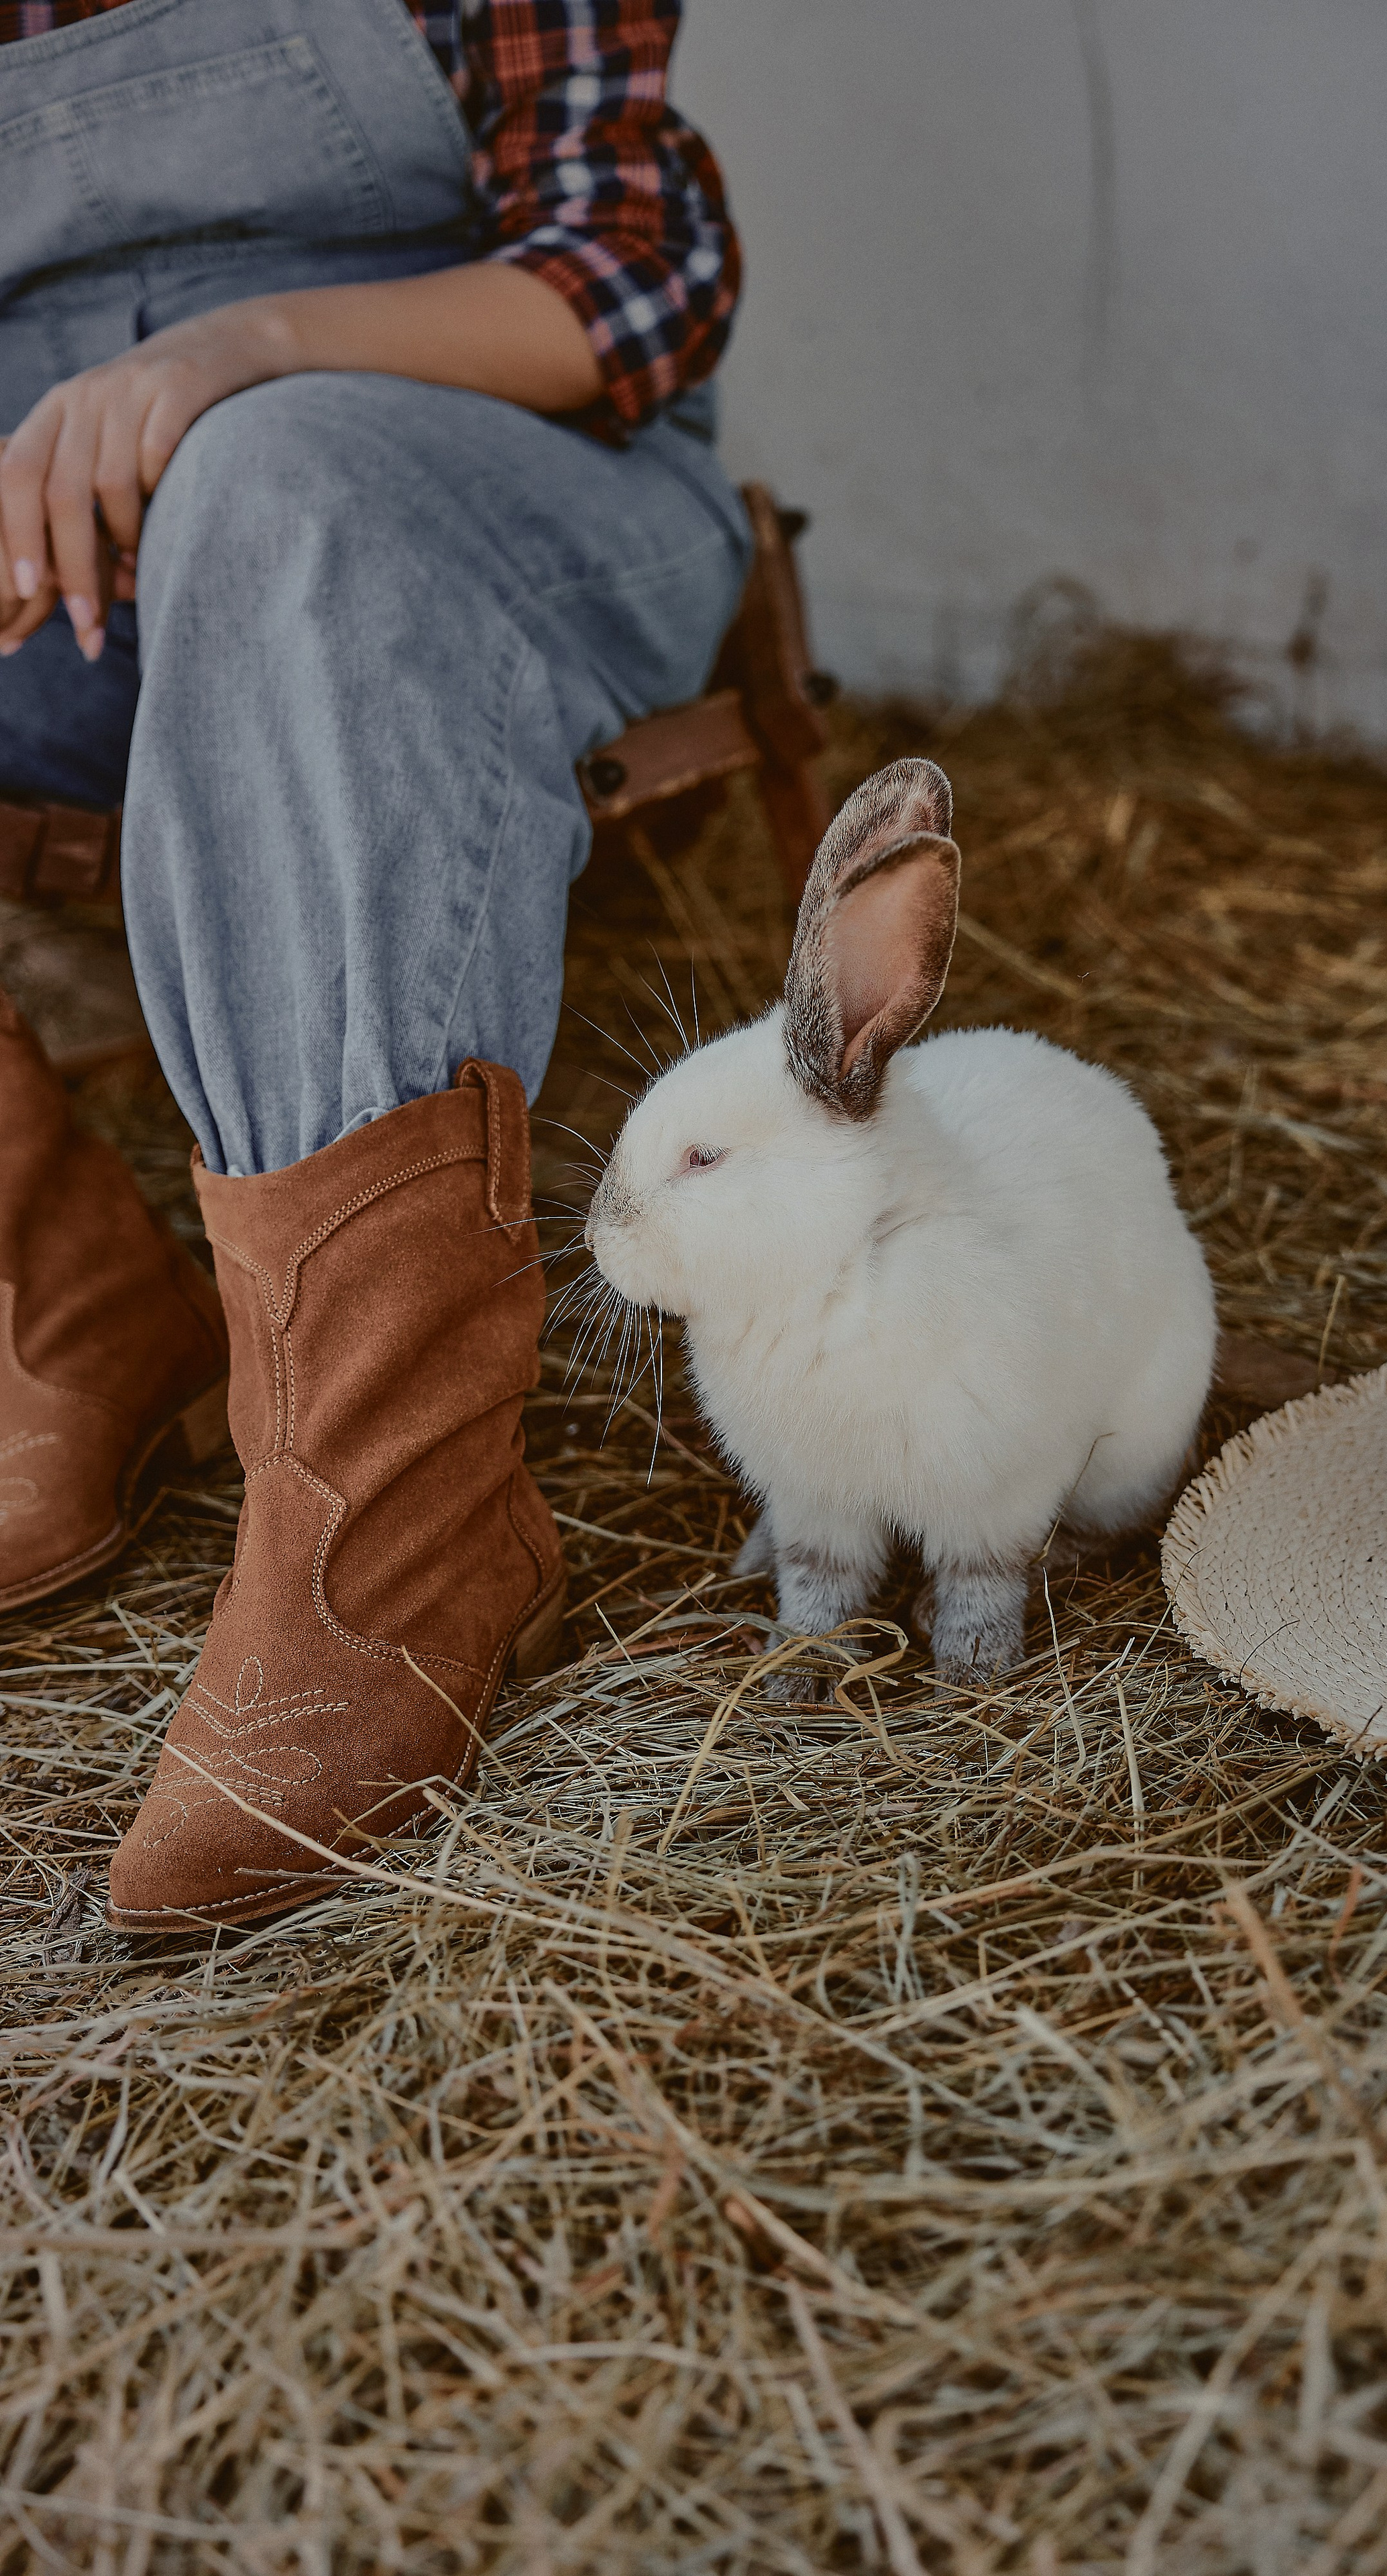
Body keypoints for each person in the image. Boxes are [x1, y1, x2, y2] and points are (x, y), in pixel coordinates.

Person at [0, 0, 750, 1929]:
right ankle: (66, 1306)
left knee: (276, 485)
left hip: (485, 475)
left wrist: (232, 353)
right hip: (72, 552)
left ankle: (388, 1533)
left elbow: (628, 287)